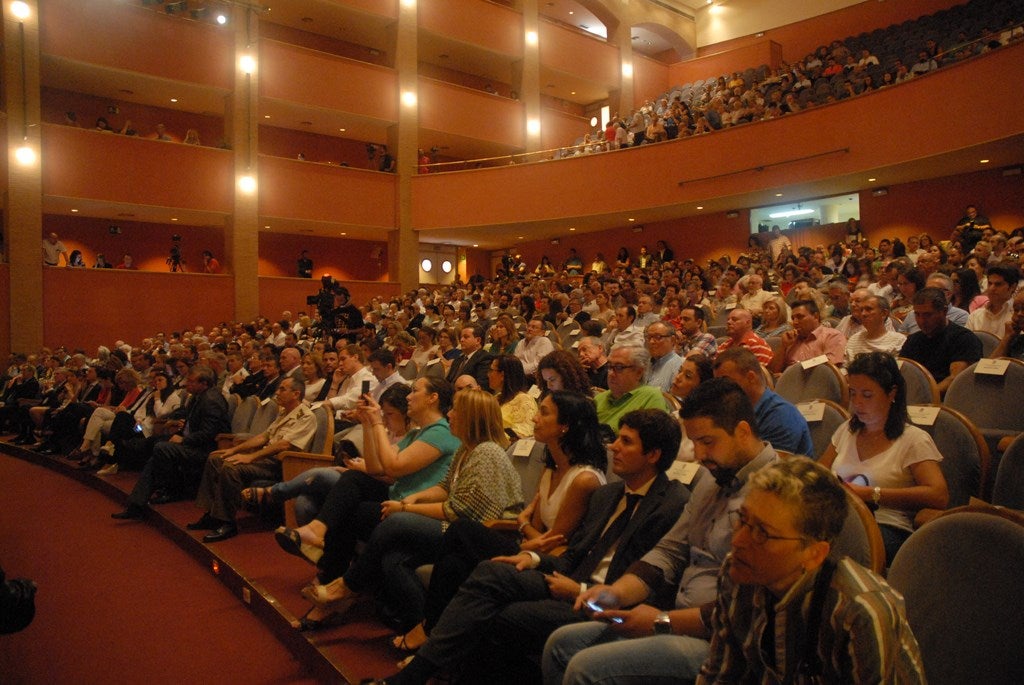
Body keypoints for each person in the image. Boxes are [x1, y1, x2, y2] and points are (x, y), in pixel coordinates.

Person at [367, 409, 690, 685]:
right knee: (491, 570)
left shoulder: (670, 503)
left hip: (605, 601)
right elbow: (575, 552)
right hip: (568, 578)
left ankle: (419, 671)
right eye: (616, 438)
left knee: (498, 614)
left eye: (626, 442)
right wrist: (532, 557)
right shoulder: (610, 495)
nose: (613, 447)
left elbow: (646, 580)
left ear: (654, 454)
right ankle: (420, 672)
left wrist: (577, 588)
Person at [543, 377, 781, 685]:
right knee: (560, 644)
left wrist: (661, 621)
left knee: (585, 668)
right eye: (693, 442)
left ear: (743, 432)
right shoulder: (711, 479)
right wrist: (616, 592)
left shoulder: (776, 491)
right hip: (675, 615)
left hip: (723, 639)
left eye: (707, 442)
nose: (697, 455)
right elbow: (670, 551)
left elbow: (747, 606)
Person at [393, 390, 607, 654]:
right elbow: (536, 531)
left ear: (565, 426)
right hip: (530, 548)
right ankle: (437, 640)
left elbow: (554, 542)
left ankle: (430, 632)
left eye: (544, 413)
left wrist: (523, 525)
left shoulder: (584, 480)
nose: (535, 418)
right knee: (453, 562)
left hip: (551, 564)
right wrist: (526, 526)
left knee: (461, 529)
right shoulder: (551, 467)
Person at [294, 389, 522, 634]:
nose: (451, 414)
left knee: (396, 521)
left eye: (456, 410)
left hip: (476, 534)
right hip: (457, 524)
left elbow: (462, 510)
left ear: (471, 417)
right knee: (393, 558)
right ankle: (420, 627)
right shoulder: (466, 449)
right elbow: (445, 487)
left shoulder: (487, 452)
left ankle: (344, 588)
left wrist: (407, 506)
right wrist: (417, 497)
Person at [698, 457, 927, 682]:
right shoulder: (737, 571)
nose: (738, 540)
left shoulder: (860, 611)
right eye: (742, 519)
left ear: (814, 554)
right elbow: (722, 675)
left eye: (762, 533)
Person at [278, 378, 459, 590]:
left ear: (432, 398)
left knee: (350, 508)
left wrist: (377, 423)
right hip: (399, 498)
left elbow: (393, 468)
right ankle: (319, 537)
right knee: (353, 479)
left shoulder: (441, 432)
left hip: (416, 509)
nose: (408, 397)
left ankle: (331, 574)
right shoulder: (418, 433)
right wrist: (366, 423)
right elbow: (375, 467)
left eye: (414, 391)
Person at [820, 352, 948, 563]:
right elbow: (819, 474)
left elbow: (938, 495)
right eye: (853, 394)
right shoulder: (846, 430)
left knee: (827, 551)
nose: (857, 403)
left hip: (886, 526)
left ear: (892, 394)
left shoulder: (913, 439)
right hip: (838, 519)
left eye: (867, 395)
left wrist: (872, 494)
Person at [188, 376, 317, 542]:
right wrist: (232, 450)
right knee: (216, 459)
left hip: (282, 464)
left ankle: (228, 522)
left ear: (296, 394)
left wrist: (250, 457)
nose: (277, 392)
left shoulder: (305, 416)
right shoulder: (284, 412)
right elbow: (264, 437)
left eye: (282, 389)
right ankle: (211, 514)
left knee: (231, 467)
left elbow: (283, 445)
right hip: (265, 459)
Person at [112, 365, 230, 519]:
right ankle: (141, 501)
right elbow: (188, 419)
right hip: (191, 442)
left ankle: (165, 491)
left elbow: (209, 434)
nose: (187, 384)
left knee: (161, 448)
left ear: (204, 384)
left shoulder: (211, 400)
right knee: (158, 447)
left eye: (192, 381)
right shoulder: (198, 396)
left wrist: (184, 439)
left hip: (204, 449)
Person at [713, 347, 813, 455]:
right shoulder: (736, 408)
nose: (721, 389)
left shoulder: (781, 415)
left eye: (727, 381)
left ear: (750, 377)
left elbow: (772, 469)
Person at [900, 287, 982, 395]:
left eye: (928, 315)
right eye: (917, 314)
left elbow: (955, 379)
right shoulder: (913, 340)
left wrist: (925, 397)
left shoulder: (964, 339)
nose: (921, 321)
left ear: (944, 311)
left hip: (948, 401)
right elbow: (901, 375)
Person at [593, 346, 669, 434]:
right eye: (609, 366)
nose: (611, 373)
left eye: (619, 367)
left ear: (639, 372)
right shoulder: (599, 398)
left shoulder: (650, 396)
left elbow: (652, 440)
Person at [768, 298, 847, 373]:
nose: (795, 322)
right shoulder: (791, 339)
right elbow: (773, 371)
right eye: (793, 318)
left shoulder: (832, 336)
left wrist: (791, 374)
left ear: (815, 316)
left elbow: (829, 366)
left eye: (800, 317)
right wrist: (783, 346)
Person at [488, 354, 538, 440]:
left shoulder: (525, 400)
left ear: (502, 375)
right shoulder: (496, 398)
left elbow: (525, 433)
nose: (488, 375)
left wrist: (491, 437)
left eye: (491, 370)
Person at [845, 295, 906, 363]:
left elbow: (896, 372)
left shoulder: (898, 340)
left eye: (868, 309)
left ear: (884, 313)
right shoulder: (854, 339)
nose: (863, 314)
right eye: (861, 310)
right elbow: (845, 368)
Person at [967, 265, 1019, 338]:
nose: (991, 288)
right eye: (990, 283)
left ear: (1012, 287)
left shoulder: (1018, 318)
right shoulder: (975, 316)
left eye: (998, 284)